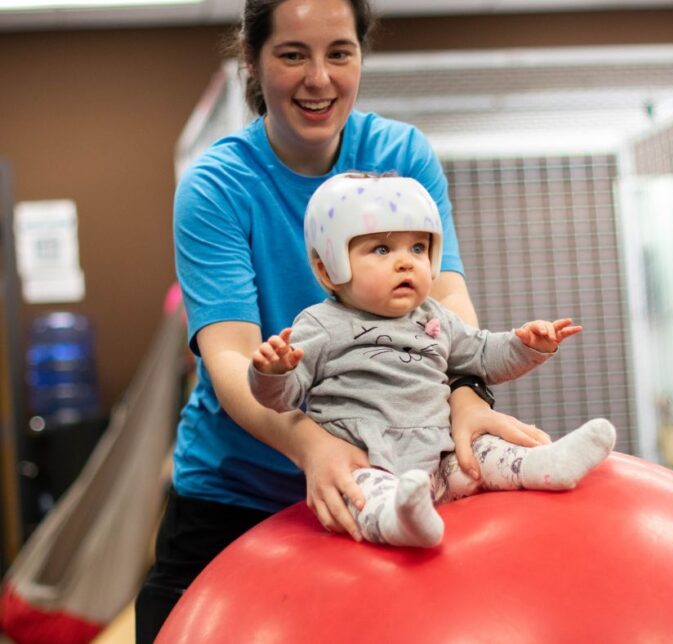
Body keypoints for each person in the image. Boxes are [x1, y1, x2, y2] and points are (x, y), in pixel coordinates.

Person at [135, 0, 553, 638]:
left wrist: (466, 396)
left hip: (391, 472)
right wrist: (311, 445)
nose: (319, 79)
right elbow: (229, 356)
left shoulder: (399, 153)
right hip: (238, 489)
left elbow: (444, 305)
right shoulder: (219, 184)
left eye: (339, 53)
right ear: (251, 58)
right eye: (292, 54)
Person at [248, 173, 616, 547]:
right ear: (329, 268)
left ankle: (546, 466)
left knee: (488, 453)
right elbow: (282, 398)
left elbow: (484, 356)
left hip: (445, 459)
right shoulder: (320, 325)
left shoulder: (434, 317)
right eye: (381, 250)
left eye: (418, 249)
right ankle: (401, 521)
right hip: (368, 462)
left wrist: (530, 346)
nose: (405, 263)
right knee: (361, 495)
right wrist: (274, 371)